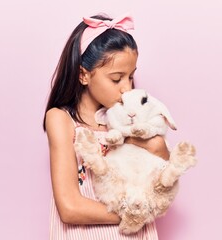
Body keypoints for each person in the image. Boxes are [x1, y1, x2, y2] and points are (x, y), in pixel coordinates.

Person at [43, 12, 169, 239]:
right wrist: (136, 214)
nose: (126, 88)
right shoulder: (62, 120)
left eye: (130, 77)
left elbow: (160, 184)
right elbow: (70, 208)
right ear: (83, 75)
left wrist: (160, 150)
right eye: (116, 78)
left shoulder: (130, 121)